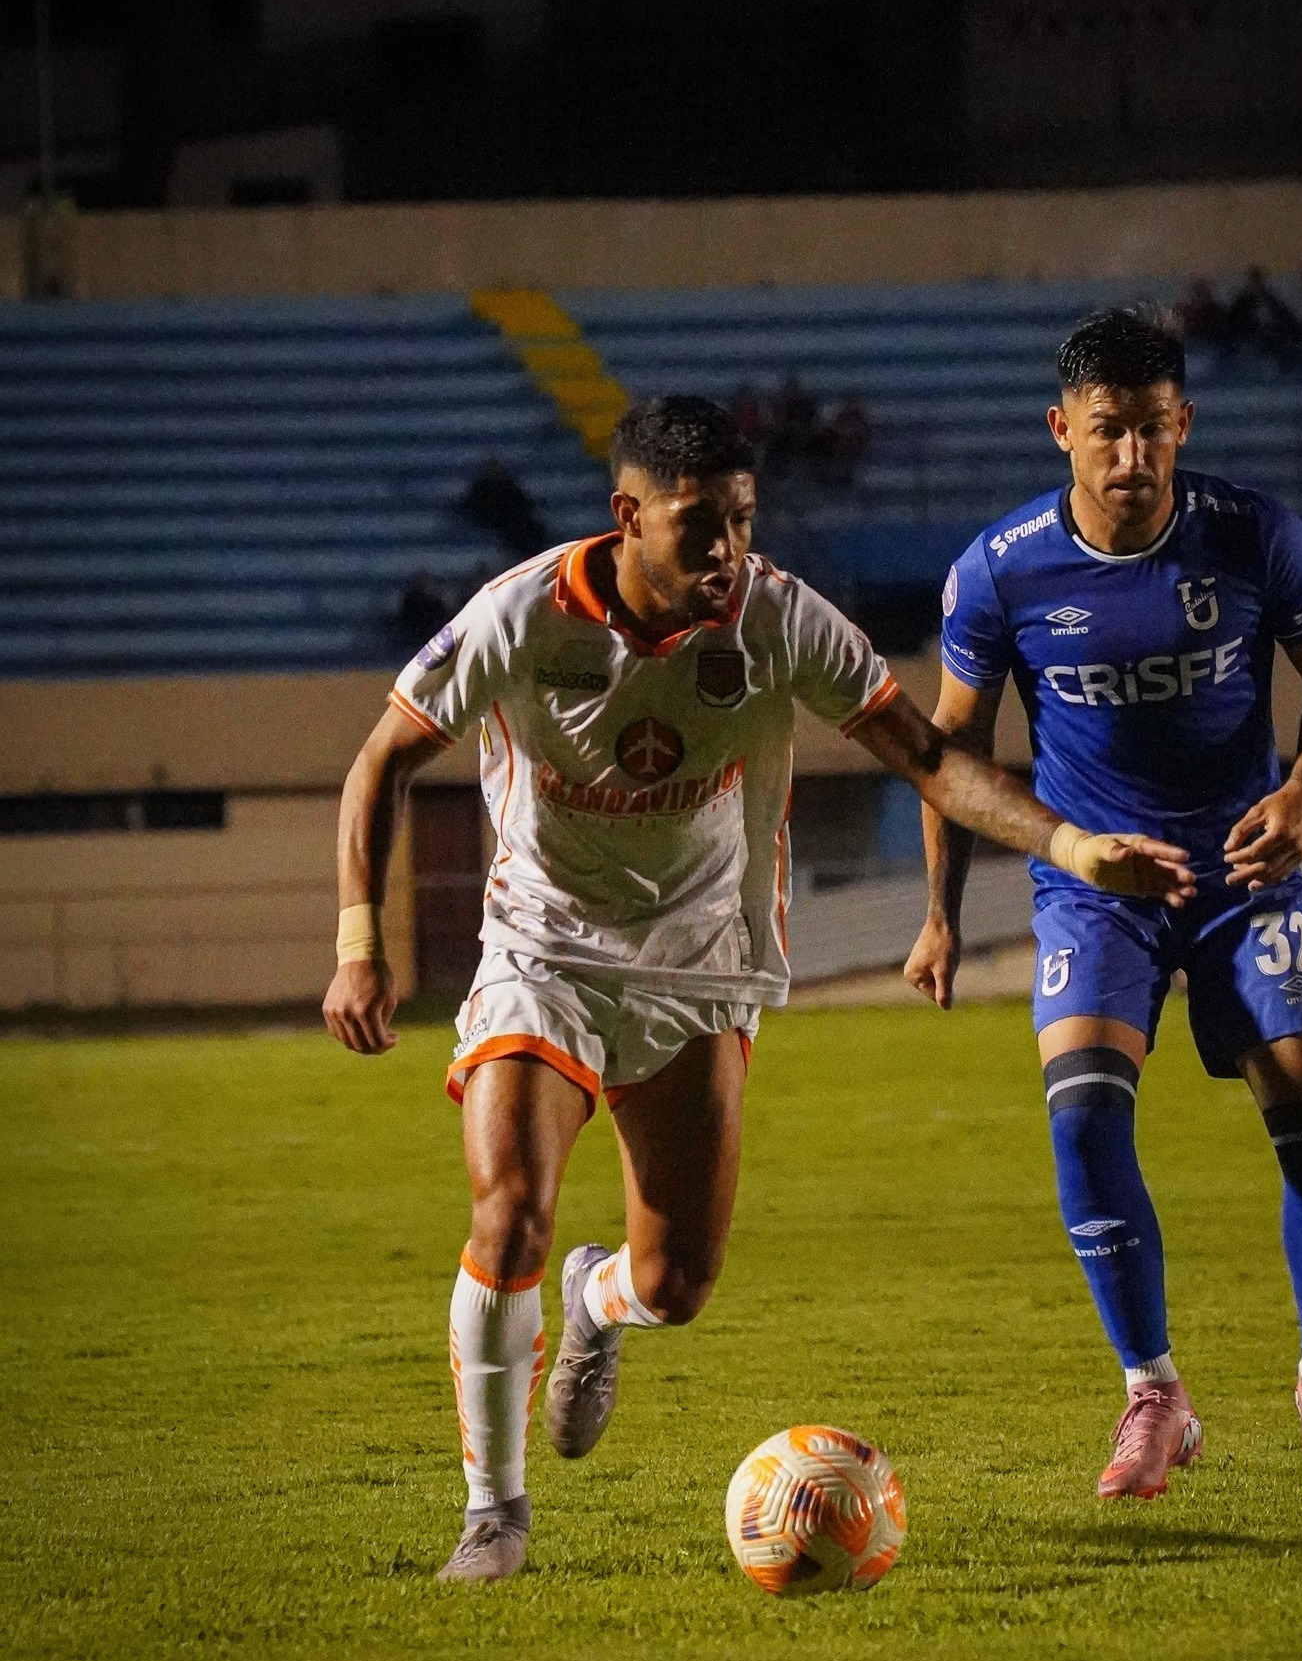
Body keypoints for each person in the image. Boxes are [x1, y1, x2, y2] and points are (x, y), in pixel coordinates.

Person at [323, 394, 1192, 1581]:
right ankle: (495, 1512)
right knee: (507, 1210)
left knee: (676, 1284)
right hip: (545, 949)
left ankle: (599, 1302)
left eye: (741, 520)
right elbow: (382, 758)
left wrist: (1075, 846)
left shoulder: (778, 617)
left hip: (700, 962)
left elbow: (928, 757)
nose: (728, 550)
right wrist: (359, 941)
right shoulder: (521, 614)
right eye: (699, 526)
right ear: (626, 517)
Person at [905, 309, 1302, 1507]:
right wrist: (940, 914)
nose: (1131, 456)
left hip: (1243, 873)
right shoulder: (999, 568)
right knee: (1080, 1118)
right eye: (1107, 431)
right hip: (1094, 887)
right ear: (1062, 430)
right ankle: (1154, 1391)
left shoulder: (1254, 533)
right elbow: (948, 754)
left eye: (1152, 429)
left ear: (1183, 426)